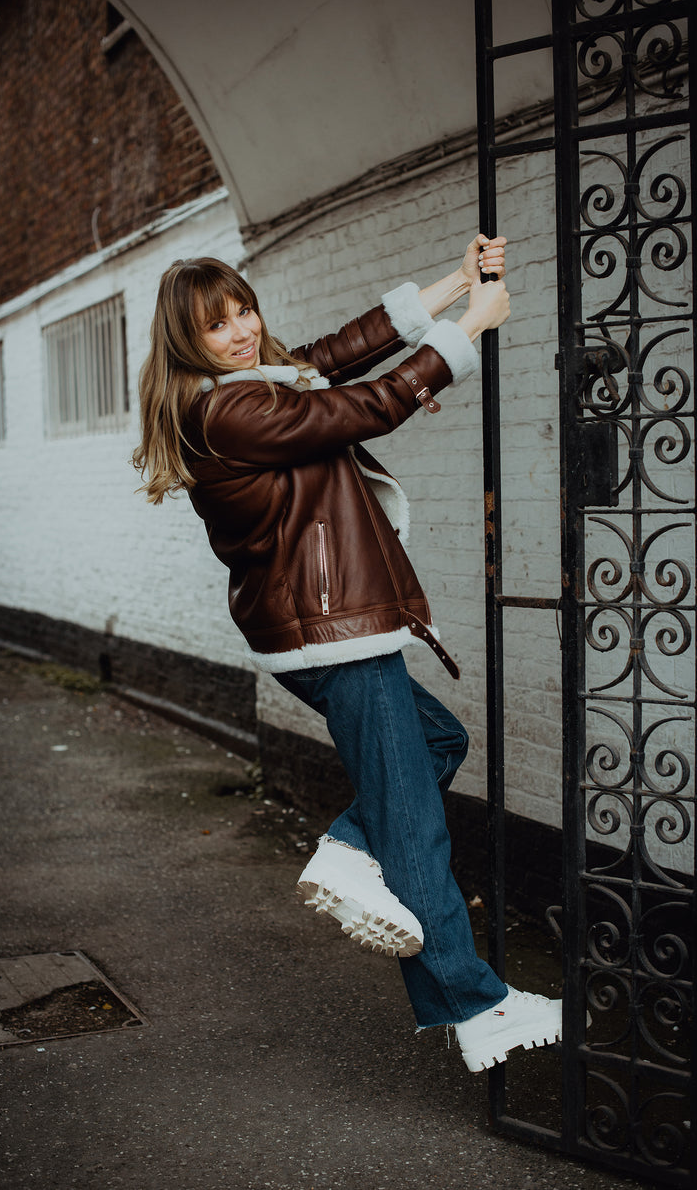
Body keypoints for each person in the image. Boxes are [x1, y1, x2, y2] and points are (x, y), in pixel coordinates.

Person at [132, 235, 563, 1071]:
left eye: (243, 309)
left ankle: (347, 847)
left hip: (325, 629)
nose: (242, 330)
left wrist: (451, 284)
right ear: (188, 340)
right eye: (216, 325)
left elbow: (332, 355)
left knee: (439, 743)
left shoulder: (247, 388)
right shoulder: (229, 410)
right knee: (414, 826)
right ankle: (476, 1004)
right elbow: (362, 406)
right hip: (334, 631)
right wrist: (470, 329)